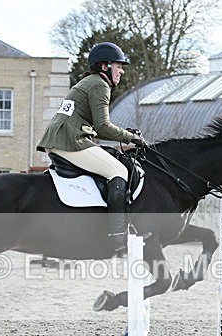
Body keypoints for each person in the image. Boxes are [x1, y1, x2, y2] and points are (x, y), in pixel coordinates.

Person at [37, 42, 146, 255]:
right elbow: (102, 126)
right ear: (105, 66)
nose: (121, 71)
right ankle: (118, 236)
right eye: (119, 66)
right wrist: (131, 137)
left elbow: (97, 128)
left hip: (63, 139)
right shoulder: (99, 85)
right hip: (72, 142)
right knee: (119, 171)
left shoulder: (89, 82)